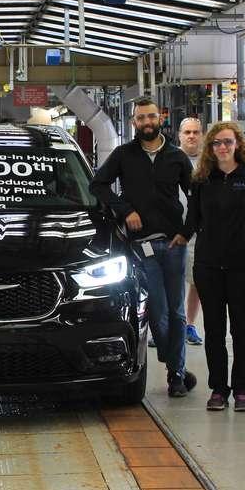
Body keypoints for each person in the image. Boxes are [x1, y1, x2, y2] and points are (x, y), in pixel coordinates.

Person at [90, 97, 197, 397]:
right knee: (158, 310)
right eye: (141, 118)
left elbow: (197, 197)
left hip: (175, 244)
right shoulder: (124, 155)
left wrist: (187, 232)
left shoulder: (176, 157)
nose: (147, 122)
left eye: (151, 117)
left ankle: (175, 374)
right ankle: (172, 359)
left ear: (159, 118)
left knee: (176, 312)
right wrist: (125, 210)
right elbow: (97, 185)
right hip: (141, 246)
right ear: (134, 122)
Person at [176, 121, 245, 412]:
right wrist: (179, 236)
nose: (223, 147)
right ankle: (218, 388)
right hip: (209, 265)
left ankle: (242, 389)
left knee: (242, 329)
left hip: (243, 265)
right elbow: (192, 218)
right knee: (214, 330)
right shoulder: (202, 180)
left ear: (238, 144)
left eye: (228, 142)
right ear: (210, 147)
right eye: (217, 143)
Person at [178, 117, 205, 346]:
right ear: (180, 135)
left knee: (196, 281)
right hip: (172, 232)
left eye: (196, 132)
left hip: (198, 233)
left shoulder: (208, 162)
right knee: (172, 281)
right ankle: (168, 327)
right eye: (187, 132)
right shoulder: (169, 158)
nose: (192, 136)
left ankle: (189, 324)